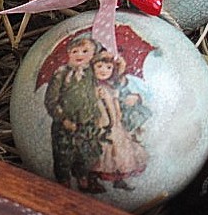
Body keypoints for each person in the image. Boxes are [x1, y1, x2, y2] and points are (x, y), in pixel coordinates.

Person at [43, 34, 104, 193]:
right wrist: (63, 119)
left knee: (85, 152)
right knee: (63, 154)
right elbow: (50, 99)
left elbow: (91, 96)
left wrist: (96, 111)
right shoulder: (61, 73)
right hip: (65, 123)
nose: (79, 55)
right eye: (75, 51)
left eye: (85, 51)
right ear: (69, 53)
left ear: (92, 55)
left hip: (87, 121)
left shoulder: (91, 73)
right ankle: (63, 181)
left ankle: (82, 177)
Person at [88, 50, 149, 191]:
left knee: (120, 149)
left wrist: (121, 113)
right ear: (93, 68)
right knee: (104, 150)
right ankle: (93, 178)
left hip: (116, 123)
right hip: (103, 123)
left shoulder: (111, 86)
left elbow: (116, 104)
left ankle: (119, 179)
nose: (104, 70)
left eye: (108, 67)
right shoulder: (95, 88)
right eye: (99, 66)